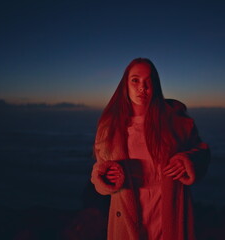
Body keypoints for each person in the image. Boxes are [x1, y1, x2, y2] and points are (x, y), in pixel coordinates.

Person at [90, 58, 210, 240]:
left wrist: (187, 161)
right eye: (135, 80)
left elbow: (202, 151)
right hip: (128, 219)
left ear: (155, 86)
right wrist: (105, 176)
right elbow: (98, 173)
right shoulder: (110, 128)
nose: (142, 87)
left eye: (148, 81)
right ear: (125, 84)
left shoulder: (175, 122)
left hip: (170, 215)